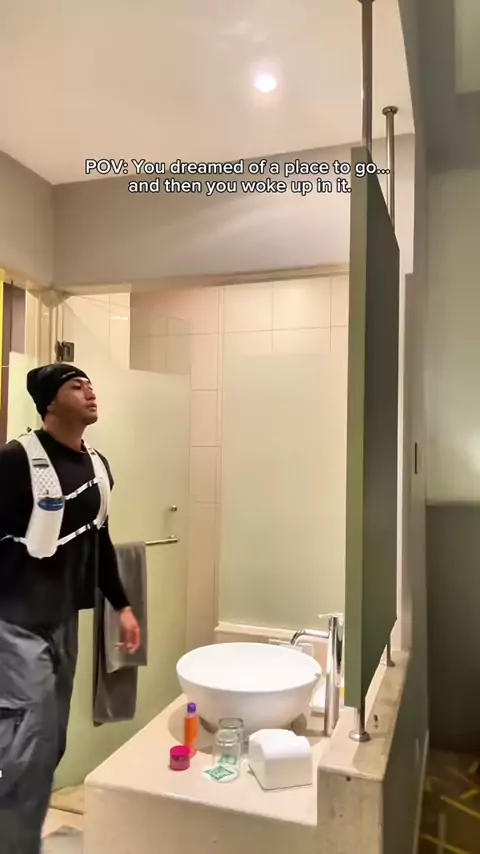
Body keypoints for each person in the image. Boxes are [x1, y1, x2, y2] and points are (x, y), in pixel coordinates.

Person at [0, 363, 141, 854]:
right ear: (49, 402)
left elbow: (99, 541)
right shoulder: (16, 460)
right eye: (75, 386)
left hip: (63, 621)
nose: (89, 391)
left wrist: (122, 605)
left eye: (90, 384)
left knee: (50, 743)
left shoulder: (97, 466)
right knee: (27, 746)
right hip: (14, 625)